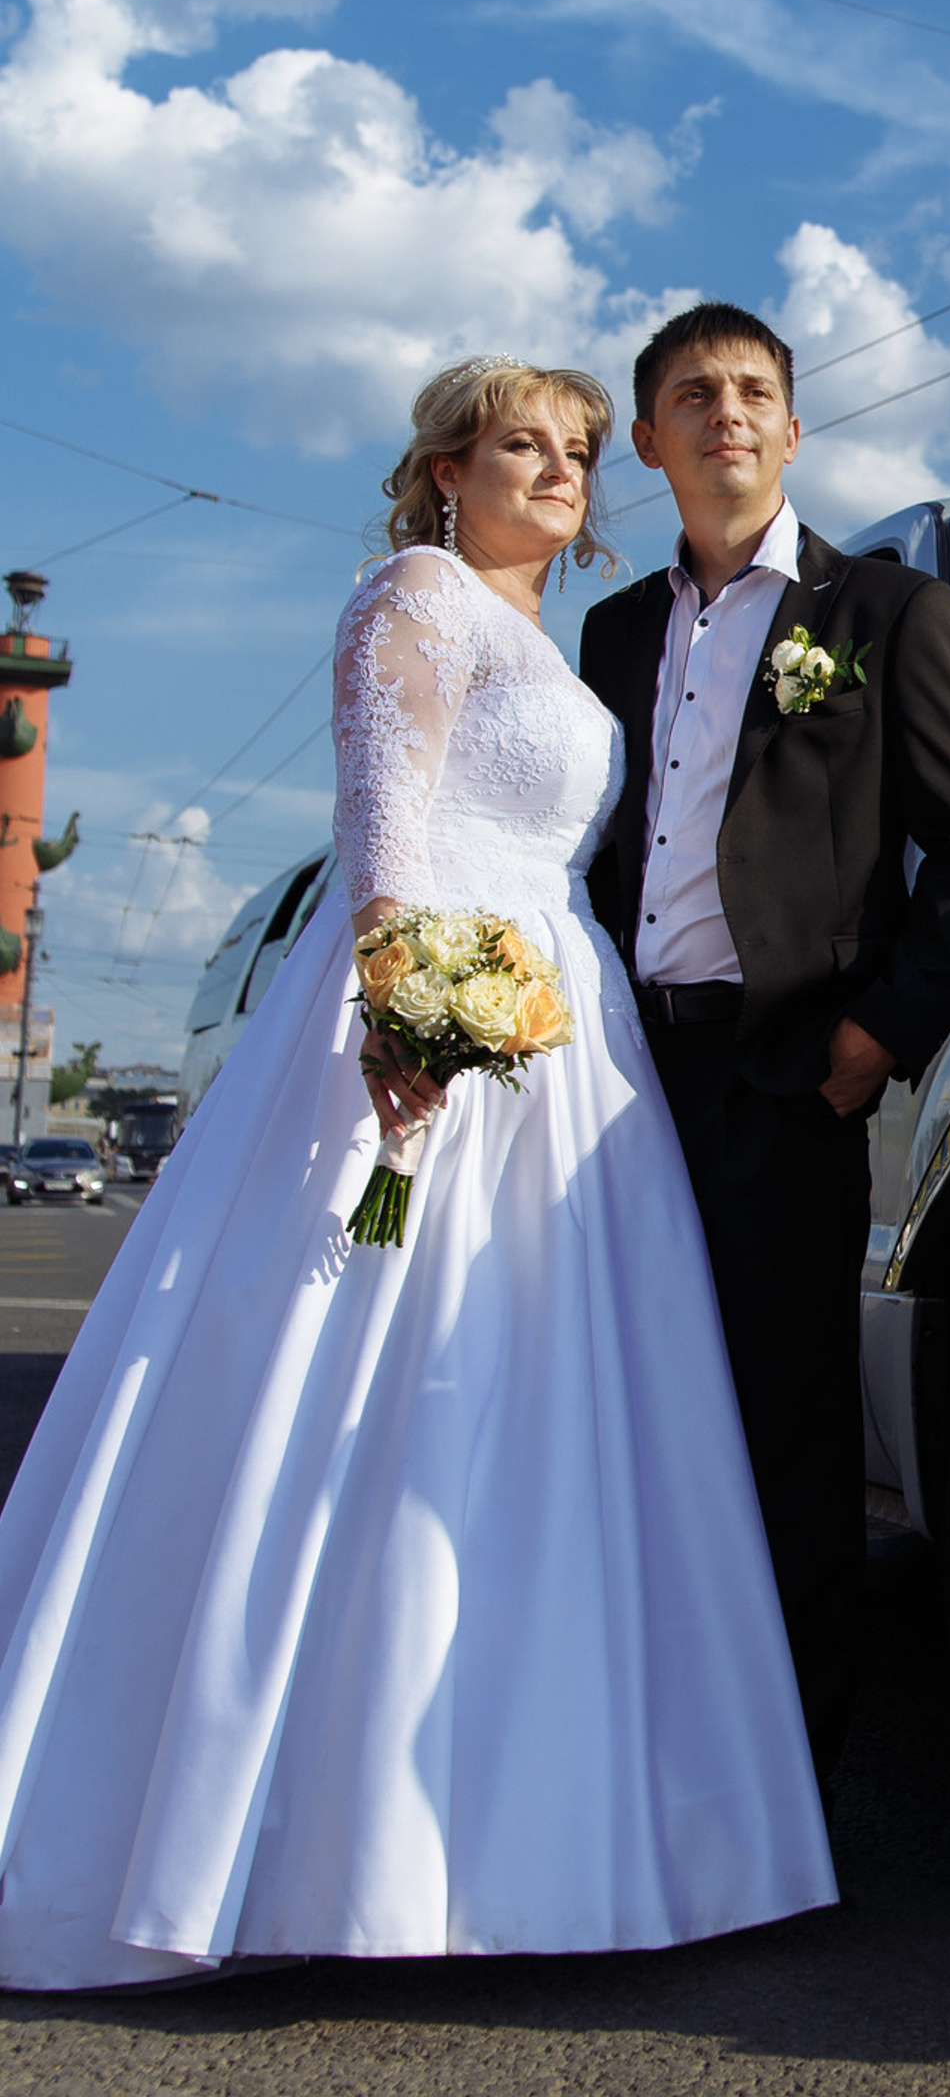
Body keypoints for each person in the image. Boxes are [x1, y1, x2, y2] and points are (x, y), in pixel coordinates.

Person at [0, 360, 837, 1992]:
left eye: (579, 451)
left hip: (564, 1024)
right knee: (371, 1376)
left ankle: (532, 1836)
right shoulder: (416, 595)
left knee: (535, 1396)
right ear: (446, 468)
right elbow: (386, 821)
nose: (561, 470)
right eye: (524, 443)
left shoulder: (550, 636)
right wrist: (404, 1008)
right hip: (444, 997)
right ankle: (310, 1837)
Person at [578, 305, 950, 1785]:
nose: (729, 412)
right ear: (651, 439)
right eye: (695, 393)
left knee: (787, 1433)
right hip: (620, 1078)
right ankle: (640, 1746)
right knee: (634, 1403)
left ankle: (786, 1789)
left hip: (784, 1075)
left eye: (756, 390)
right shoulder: (615, 633)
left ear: (792, 425)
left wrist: (874, 1039)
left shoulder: (887, 613)